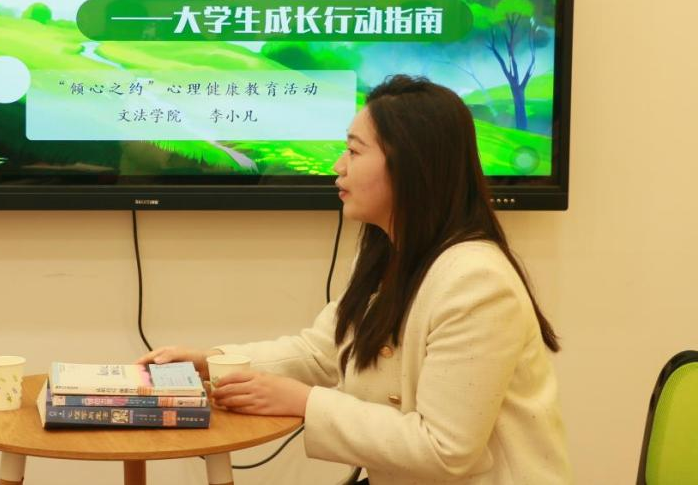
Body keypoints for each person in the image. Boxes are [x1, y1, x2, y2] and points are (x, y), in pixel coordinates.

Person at [140, 75, 570, 484]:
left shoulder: (476, 282)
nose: (337, 166)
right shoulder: (384, 252)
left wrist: (303, 402)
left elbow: (445, 449)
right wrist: (210, 361)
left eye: (354, 151)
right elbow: (323, 352)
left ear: (410, 165)